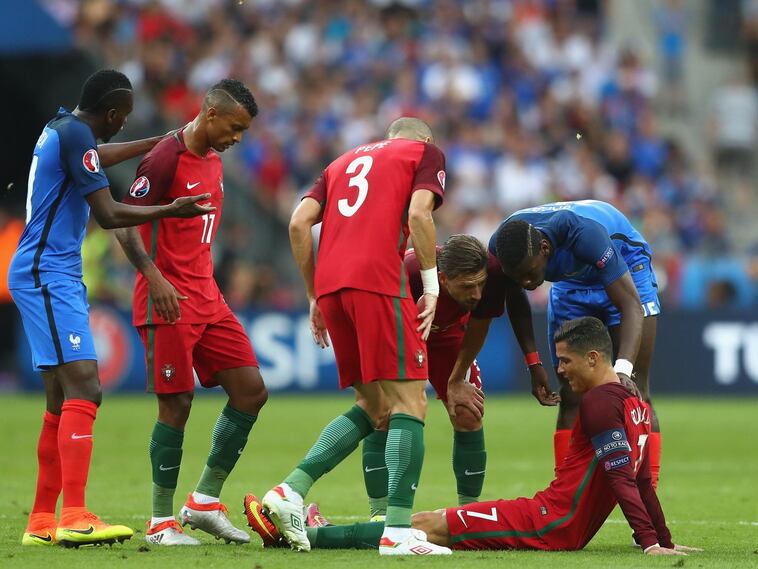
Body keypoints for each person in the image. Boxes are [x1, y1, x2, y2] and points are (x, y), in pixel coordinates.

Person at [248, 317, 701, 557]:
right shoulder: (635, 403)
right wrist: (661, 535)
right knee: (433, 524)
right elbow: (641, 480)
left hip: (547, 521)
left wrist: (649, 543)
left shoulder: (600, 404)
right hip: (551, 519)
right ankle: (317, 532)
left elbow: (624, 480)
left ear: (594, 357)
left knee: (422, 526)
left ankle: (308, 538)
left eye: (564, 361)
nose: (559, 370)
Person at [8, 69, 213, 548]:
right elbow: (108, 214)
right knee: (86, 386)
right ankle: (75, 515)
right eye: (125, 119)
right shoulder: (77, 133)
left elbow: (96, 159)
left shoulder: (63, 128)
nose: (123, 125)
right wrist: (171, 209)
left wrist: (158, 141)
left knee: (61, 401)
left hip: (45, 270)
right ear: (114, 112)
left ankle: (41, 521)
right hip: (48, 273)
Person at [260, 117, 448, 555]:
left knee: (376, 404)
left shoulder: (339, 163)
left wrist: (313, 294)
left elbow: (297, 224)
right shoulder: (424, 152)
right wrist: (432, 285)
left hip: (331, 286)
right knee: (411, 401)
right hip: (378, 281)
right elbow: (420, 212)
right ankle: (398, 532)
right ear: (421, 139)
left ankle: (290, 491)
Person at [113, 79, 266, 546]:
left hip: (208, 295)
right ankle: (161, 523)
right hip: (167, 297)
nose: (237, 138)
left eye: (244, 131)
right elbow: (122, 221)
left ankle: (202, 502)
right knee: (176, 403)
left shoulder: (215, 161)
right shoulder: (164, 157)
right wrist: (154, 277)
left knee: (250, 391)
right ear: (211, 114)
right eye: (235, 127)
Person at [360, 234, 559, 521]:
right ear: (441, 278)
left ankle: (467, 513)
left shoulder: (490, 273)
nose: (477, 294)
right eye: (468, 287)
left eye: (480, 284)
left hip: (449, 338)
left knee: (468, 411)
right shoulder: (408, 272)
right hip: (400, 335)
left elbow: (479, 326)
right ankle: (379, 515)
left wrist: (455, 381)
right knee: (384, 414)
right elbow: (376, 319)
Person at [488, 200, 663, 486]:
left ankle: (646, 501)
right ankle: (564, 496)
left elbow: (630, 304)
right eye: (518, 277)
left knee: (636, 392)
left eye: (530, 273)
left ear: (544, 249)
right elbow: (515, 298)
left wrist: (622, 368)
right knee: (571, 394)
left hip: (625, 265)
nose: (528, 283)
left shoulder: (582, 234)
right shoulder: (503, 246)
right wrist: (534, 363)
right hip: (572, 282)